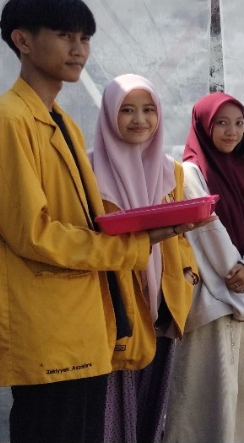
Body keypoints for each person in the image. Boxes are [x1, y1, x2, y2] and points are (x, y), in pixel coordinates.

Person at [0, 0, 199, 443]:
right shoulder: (5, 122)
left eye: (85, 38)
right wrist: (136, 244)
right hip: (47, 324)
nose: (79, 49)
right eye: (64, 35)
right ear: (22, 40)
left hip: (82, 321)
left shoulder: (62, 122)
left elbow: (82, 220)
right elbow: (33, 233)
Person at [164, 93, 244, 443]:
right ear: (204, 125)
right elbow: (206, 229)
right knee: (209, 400)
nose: (232, 131)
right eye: (222, 123)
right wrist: (238, 273)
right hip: (214, 303)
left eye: (239, 123)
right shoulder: (191, 172)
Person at [90, 75, 202, 443]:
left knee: (153, 413)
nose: (140, 119)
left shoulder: (172, 171)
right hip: (114, 310)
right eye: (127, 110)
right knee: (111, 414)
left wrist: (187, 277)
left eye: (148, 110)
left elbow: (182, 237)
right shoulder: (88, 171)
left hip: (162, 308)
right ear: (109, 114)